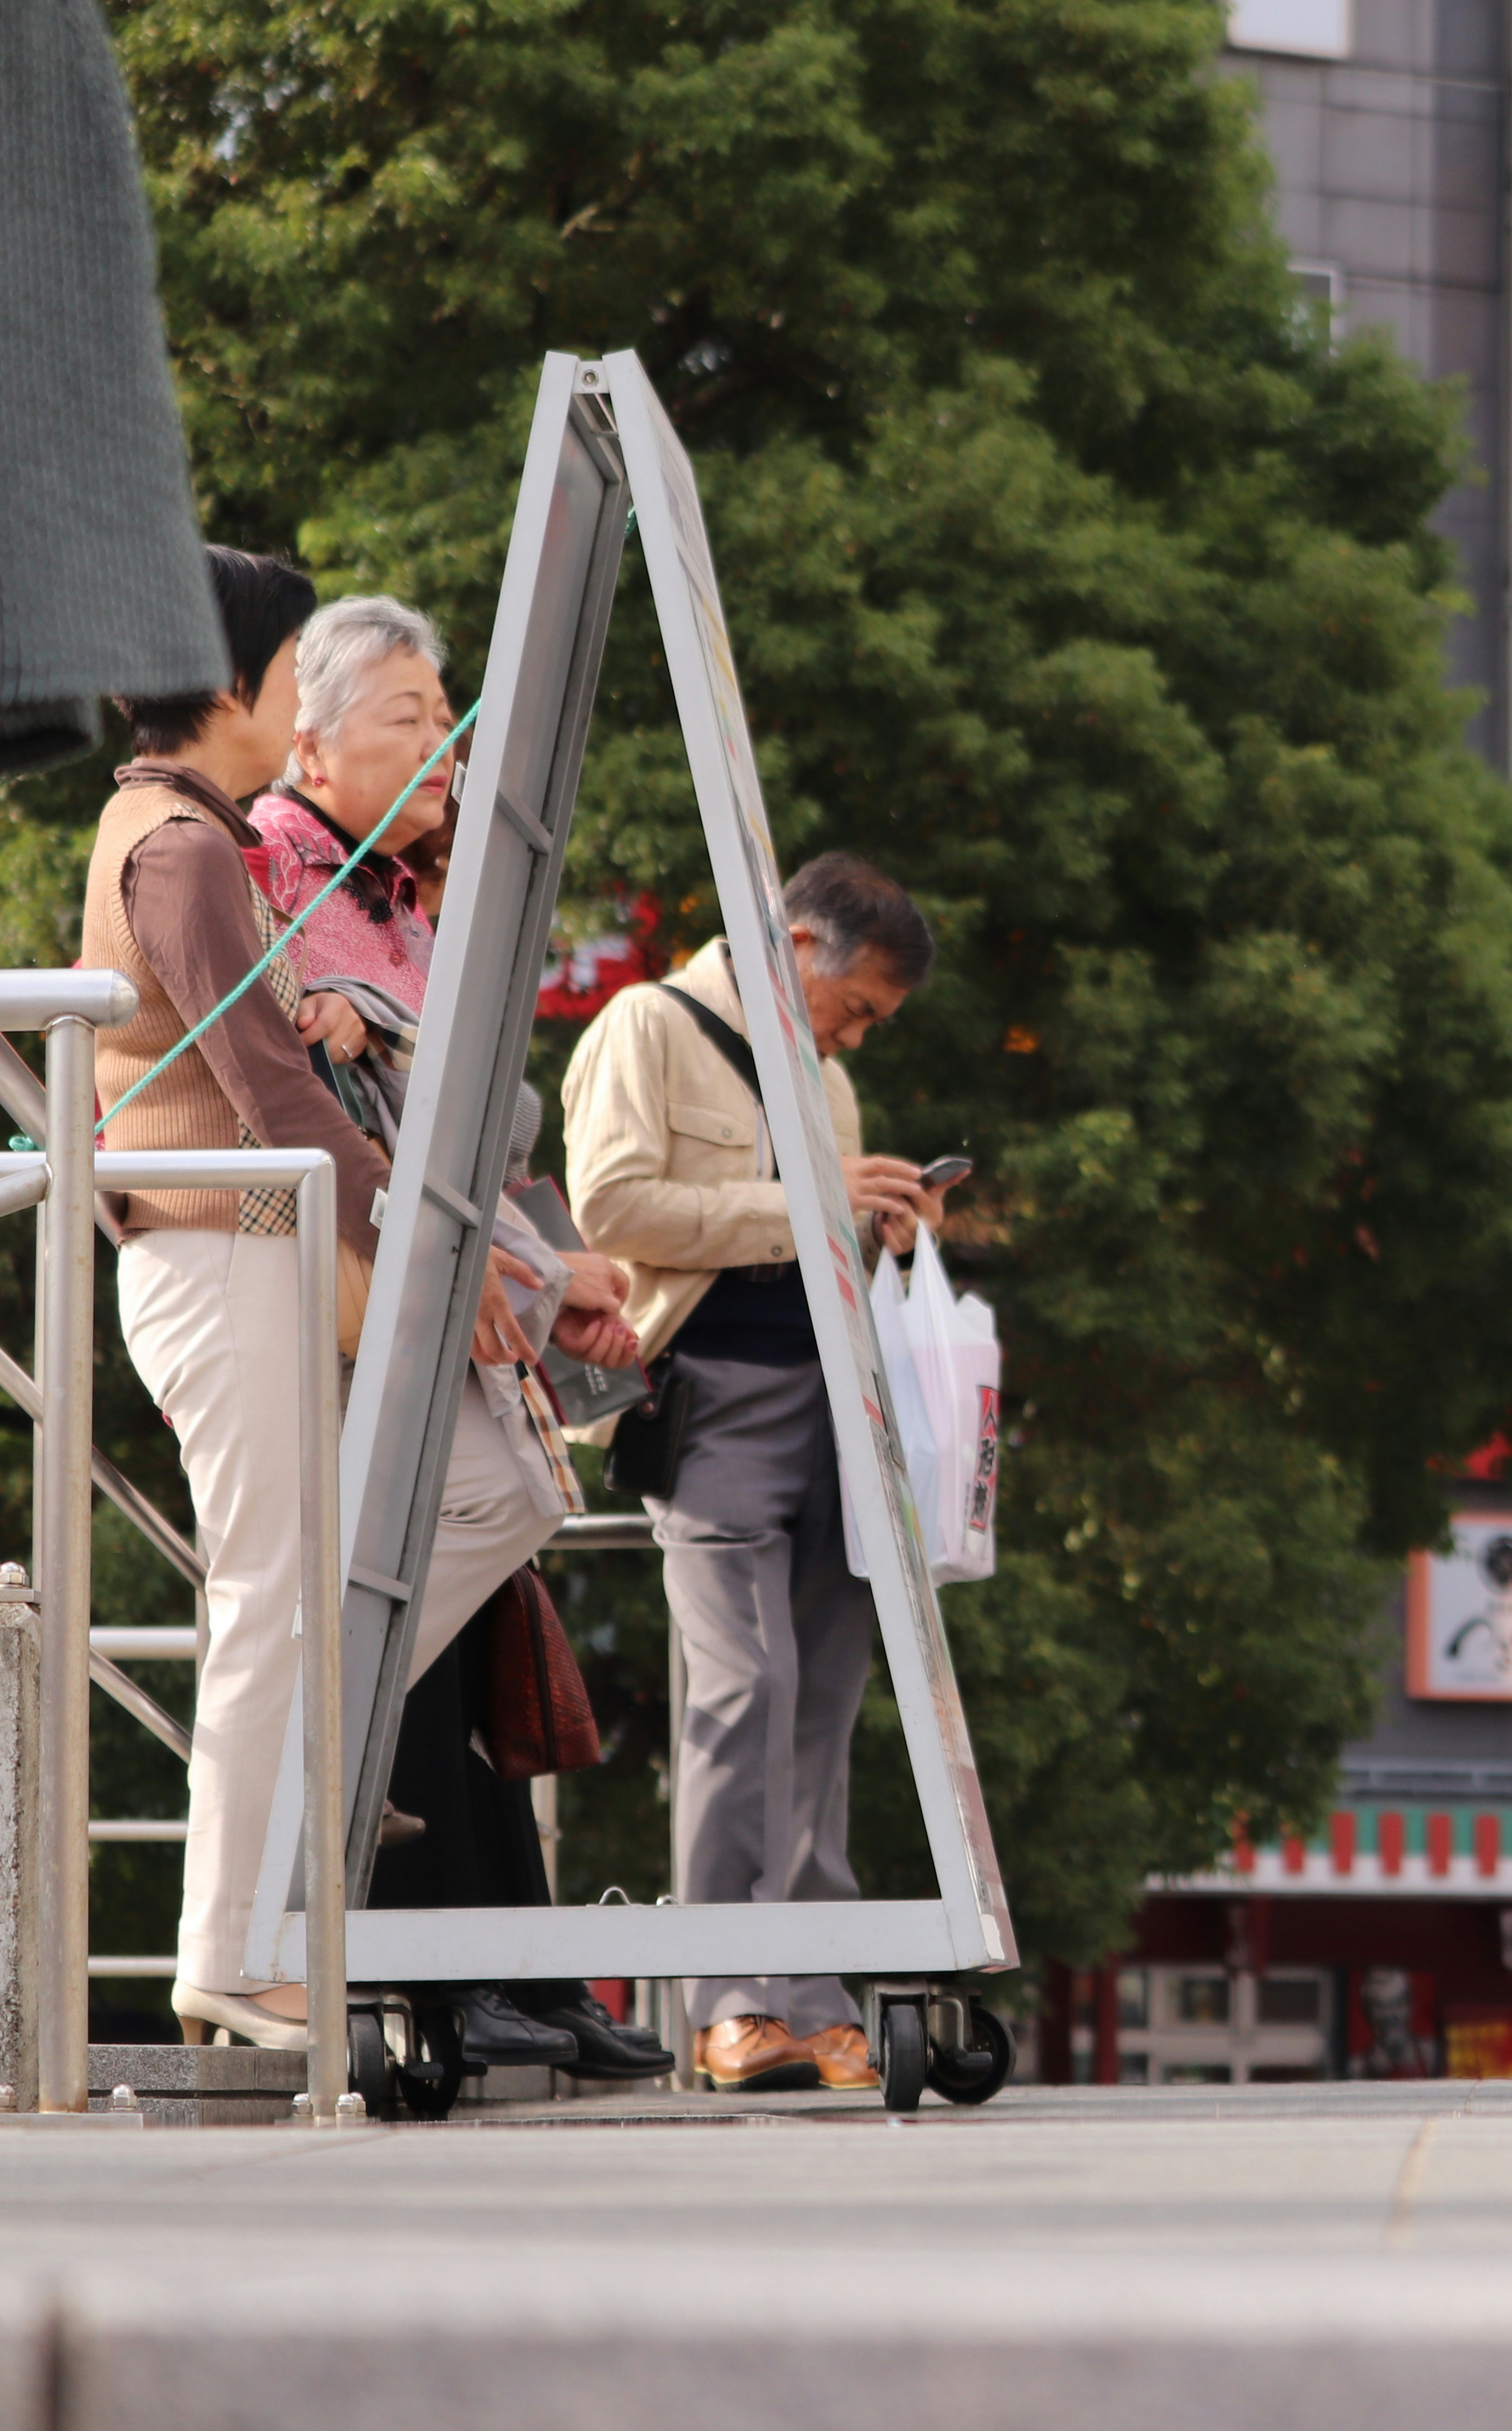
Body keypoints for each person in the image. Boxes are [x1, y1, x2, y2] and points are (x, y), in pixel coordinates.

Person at [93, 554, 528, 2049]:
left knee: (319, 1582)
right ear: (235, 684)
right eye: (291, 673)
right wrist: (430, 1252)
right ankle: (229, 1941)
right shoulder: (182, 847)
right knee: (273, 1598)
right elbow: (270, 1086)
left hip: (244, 1244)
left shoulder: (191, 833)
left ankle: (280, 1834)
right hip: (221, 1246)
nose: (299, 704)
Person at [246, 594, 669, 2082]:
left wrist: (542, 1267)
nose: (441, 750)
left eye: (446, 720)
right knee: (416, 1603)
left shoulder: (404, 892)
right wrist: (528, 1268)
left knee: (459, 1616)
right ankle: (438, 1967)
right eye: (409, 720)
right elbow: (351, 1113)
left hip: (467, 1279)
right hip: (376, 1291)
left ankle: (507, 1967)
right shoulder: (273, 870)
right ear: (307, 731)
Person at [560, 854, 950, 2092]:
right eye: (858, 1006)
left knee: (827, 1698)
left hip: (838, 1399)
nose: (855, 1036)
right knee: (746, 1686)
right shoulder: (651, 1024)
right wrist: (806, 1201)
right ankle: (728, 1993)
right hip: (713, 1397)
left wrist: (874, 1214)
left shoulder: (823, 1080)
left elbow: (807, 1217)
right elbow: (612, 1204)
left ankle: (812, 1988)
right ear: (795, 943)